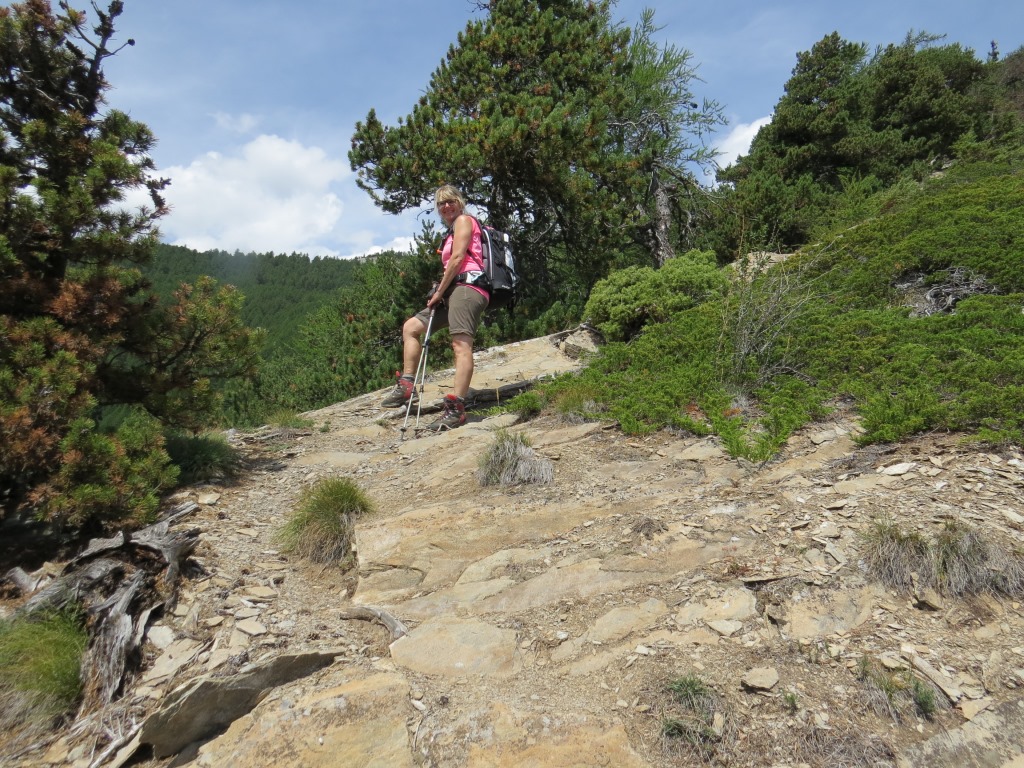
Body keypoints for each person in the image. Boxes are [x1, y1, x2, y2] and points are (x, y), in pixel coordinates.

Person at [381, 184, 489, 430]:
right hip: (453, 290)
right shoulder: (450, 231)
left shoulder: (464, 221)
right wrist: (441, 289)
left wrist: (439, 291)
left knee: (460, 344)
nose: (446, 206)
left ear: (460, 202)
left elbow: (458, 259)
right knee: (411, 327)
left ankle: (456, 409)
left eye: (451, 201)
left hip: (468, 288)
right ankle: (407, 385)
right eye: (441, 203)